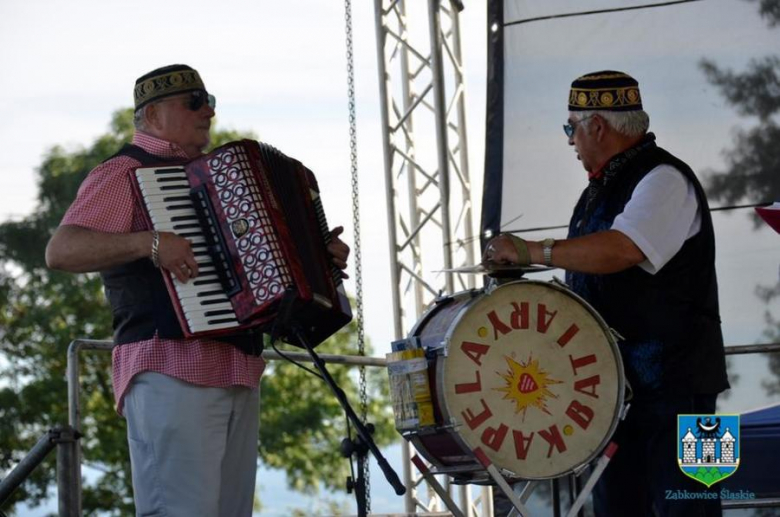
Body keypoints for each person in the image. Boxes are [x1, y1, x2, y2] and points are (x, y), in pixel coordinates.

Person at [45, 64, 351, 517]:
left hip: (237, 366)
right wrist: (149, 243)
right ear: (151, 115)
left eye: (210, 101)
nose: (207, 110)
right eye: (194, 101)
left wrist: (316, 255)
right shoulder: (125, 171)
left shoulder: (217, 174)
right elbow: (62, 250)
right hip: (169, 364)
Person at [484, 71, 729, 516]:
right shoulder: (600, 191)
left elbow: (624, 249)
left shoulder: (664, 179)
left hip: (684, 389)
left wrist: (534, 251)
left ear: (597, 126)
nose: (570, 141)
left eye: (570, 129)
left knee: (694, 506)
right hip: (619, 394)